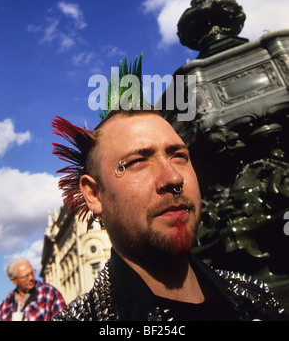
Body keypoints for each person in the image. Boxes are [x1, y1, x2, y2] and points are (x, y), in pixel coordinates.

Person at [51, 108, 288, 321]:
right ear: (94, 194)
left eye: (179, 156)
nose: (174, 178)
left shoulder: (256, 298)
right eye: (137, 161)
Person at [0, 258, 66, 321]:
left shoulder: (49, 292)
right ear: (13, 280)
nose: (31, 278)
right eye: (25, 276)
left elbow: (64, 317)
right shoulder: (6, 304)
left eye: (32, 273)